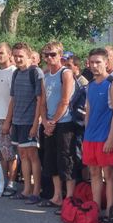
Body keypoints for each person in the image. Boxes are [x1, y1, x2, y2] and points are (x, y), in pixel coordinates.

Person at [83, 47, 113, 221]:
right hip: (90, 138)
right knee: (93, 174)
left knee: (108, 175)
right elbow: (89, 110)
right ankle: (95, 208)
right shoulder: (90, 85)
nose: (94, 65)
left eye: (98, 62)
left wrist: (110, 137)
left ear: (107, 63)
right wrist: (86, 134)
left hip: (105, 137)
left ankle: (109, 211)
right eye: (92, 62)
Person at [5, 42, 44, 203]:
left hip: (30, 121)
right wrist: (8, 121)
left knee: (32, 155)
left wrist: (36, 124)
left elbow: (40, 100)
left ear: (29, 56)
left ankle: (36, 190)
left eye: (21, 56)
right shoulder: (15, 73)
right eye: (15, 56)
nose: (18, 59)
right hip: (18, 121)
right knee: (22, 155)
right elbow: (13, 99)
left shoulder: (35, 72)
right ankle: (26, 189)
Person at [39, 41, 76, 208]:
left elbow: (65, 100)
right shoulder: (45, 75)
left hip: (64, 123)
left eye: (52, 54)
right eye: (46, 55)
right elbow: (42, 102)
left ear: (60, 55)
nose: (49, 58)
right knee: (51, 160)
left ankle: (69, 198)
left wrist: (53, 121)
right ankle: (56, 196)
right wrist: (45, 122)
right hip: (49, 124)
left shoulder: (65, 73)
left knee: (66, 160)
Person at [0, 43, 18, 197]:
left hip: (7, 118)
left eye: (2, 53)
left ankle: (12, 183)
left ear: (9, 54)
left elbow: (13, 99)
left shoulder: (13, 72)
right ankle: (3, 181)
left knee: (9, 154)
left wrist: (8, 120)